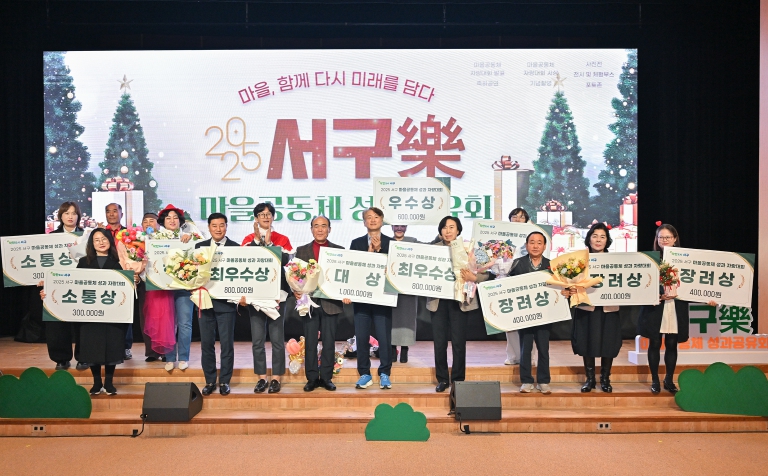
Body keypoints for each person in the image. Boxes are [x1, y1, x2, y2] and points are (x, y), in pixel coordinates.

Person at [41, 229, 127, 395]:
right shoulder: (83, 262)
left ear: (110, 241)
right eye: (96, 240)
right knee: (92, 345)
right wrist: (48, 291)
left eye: (104, 239)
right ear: (91, 244)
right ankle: (97, 382)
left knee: (112, 345)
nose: (101, 242)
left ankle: (109, 382)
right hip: (89, 314)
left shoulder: (119, 262)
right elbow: (72, 285)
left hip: (112, 313)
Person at [637, 224, 717, 394]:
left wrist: (708, 298)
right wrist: (658, 296)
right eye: (661, 237)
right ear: (656, 240)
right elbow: (641, 284)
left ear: (675, 239)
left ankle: (669, 379)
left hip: (676, 307)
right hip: (656, 308)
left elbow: (696, 284)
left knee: (672, 344)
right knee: (654, 343)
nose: (664, 240)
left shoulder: (686, 260)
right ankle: (655, 380)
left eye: (667, 237)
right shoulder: (649, 260)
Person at [427, 216, 489, 393]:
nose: (448, 231)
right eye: (444, 227)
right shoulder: (431, 250)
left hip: (460, 301)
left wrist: (474, 277)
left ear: (459, 230)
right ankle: (442, 379)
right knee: (439, 343)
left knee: (459, 343)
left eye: (452, 227)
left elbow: (487, 273)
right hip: (438, 301)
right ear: (440, 231)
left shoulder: (470, 248)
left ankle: (458, 380)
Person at [562, 223, 621, 393]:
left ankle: (605, 379)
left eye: (602, 237)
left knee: (609, 343)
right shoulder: (579, 261)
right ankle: (590, 379)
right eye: (595, 236)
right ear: (589, 239)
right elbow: (569, 282)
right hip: (586, 308)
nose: (598, 240)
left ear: (607, 240)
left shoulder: (616, 261)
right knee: (586, 341)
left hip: (609, 308)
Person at [242, 202, 291, 394]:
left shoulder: (282, 239)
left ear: (273, 217)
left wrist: (270, 244)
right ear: (256, 218)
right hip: (255, 297)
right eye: (261, 214)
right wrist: (257, 241)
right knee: (258, 340)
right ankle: (262, 377)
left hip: (277, 295)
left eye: (269, 214)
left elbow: (287, 262)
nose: (265, 217)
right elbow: (244, 261)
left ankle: (276, 377)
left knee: (277, 339)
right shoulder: (248, 239)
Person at [295, 215, 344, 391]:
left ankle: (327, 378)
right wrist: (296, 290)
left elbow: (343, 278)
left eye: (324, 226)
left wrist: (346, 292)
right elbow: (295, 276)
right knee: (310, 342)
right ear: (311, 229)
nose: (320, 229)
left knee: (329, 342)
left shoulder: (339, 251)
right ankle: (312, 378)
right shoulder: (301, 251)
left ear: (329, 229)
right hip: (309, 303)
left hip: (331, 303)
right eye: (316, 226)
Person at [350, 207, 393, 389]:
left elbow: (395, 269)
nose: (373, 220)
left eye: (376, 217)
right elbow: (353, 269)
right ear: (364, 222)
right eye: (369, 217)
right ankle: (364, 374)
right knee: (361, 338)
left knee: (384, 337)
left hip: (383, 298)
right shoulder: (356, 243)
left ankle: (385, 373)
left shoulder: (391, 243)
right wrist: (369, 252)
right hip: (362, 299)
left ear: (382, 220)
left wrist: (380, 250)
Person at [196, 213, 239, 396]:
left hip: (227, 304)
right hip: (204, 302)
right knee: (206, 344)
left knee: (227, 344)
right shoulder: (200, 247)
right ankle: (210, 381)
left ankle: (225, 381)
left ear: (226, 226)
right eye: (214, 226)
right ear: (209, 227)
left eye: (221, 225)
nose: (218, 229)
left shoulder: (236, 248)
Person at [43, 201, 87, 371]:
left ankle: (84, 357)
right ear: (60, 216)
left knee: (83, 321)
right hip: (58, 284)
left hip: (81, 284)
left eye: (74, 213)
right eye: (66, 213)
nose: (70, 216)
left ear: (78, 216)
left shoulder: (86, 236)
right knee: (57, 323)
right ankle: (61, 358)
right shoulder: (51, 237)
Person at [511, 231, 553, 394]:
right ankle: (526, 380)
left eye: (539, 243)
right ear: (526, 245)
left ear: (545, 246)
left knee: (543, 348)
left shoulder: (552, 266)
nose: (535, 246)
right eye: (532, 242)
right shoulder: (517, 264)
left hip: (545, 313)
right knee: (525, 348)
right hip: (525, 313)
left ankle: (544, 381)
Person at [158, 204, 195, 372]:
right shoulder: (156, 239)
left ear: (180, 221)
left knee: (185, 323)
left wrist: (190, 239)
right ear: (163, 221)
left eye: (175, 218)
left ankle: (184, 357)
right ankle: (170, 357)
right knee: (167, 324)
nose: (172, 221)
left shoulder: (188, 237)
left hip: (183, 287)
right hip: (163, 287)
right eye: (168, 218)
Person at [99, 203, 134, 361]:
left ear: (121, 214)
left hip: (124, 276)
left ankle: (126, 346)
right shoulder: (100, 233)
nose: (112, 214)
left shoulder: (129, 233)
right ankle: (106, 346)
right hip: (104, 276)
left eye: (115, 211)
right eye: (108, 211)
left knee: (125, 311)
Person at [503, 207, 530, 366]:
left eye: (521, 217)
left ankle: (530, 357)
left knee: (530, 323)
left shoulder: (532, 238)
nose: (518, 219)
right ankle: (513, 356)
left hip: (528, 283)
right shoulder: (503, 237)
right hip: (508, 281)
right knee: (510, 323)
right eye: (514, 216)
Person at [389, 224, 418, 363]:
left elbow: (430, 248)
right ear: (391, 226)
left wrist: (440, 236)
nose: (399, 228)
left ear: (406, 227)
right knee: (391, 320)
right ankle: (392, 350)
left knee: (407, 319)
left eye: (402, 226)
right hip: (390, 287)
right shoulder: (385, 241)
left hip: (408, 288)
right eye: (396, 226)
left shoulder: (413, 241)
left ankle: (405, 349)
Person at [136, 212, 163, 362]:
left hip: (162, 283)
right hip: (144, 283)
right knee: (145, 317)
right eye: (145, 221)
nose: (148, 224)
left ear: (158, 224)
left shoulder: (165, 239)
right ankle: (151, 352)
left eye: (151, 221)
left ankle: (164, 350)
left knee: (163, 318)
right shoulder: (137, 241)